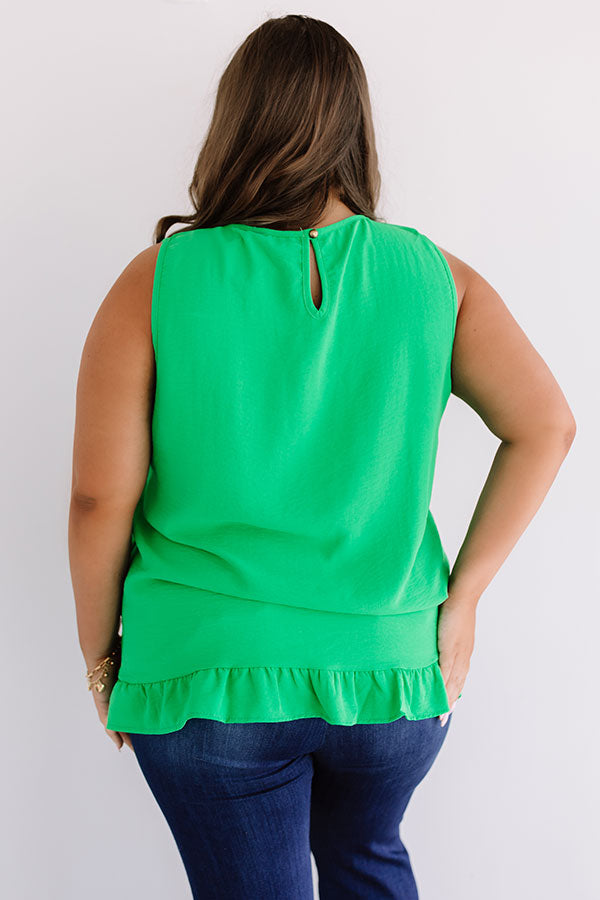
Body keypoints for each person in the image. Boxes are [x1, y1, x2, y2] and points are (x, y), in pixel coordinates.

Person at [68, 14, 576, 900]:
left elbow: (97, 500)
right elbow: (547, 425)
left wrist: (102, 659)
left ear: (236, 121)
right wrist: (462, 600)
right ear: (356, 128)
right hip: (392, 674)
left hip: (209, 674)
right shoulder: (435, 276)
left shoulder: (157, 280)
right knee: (367, 862)